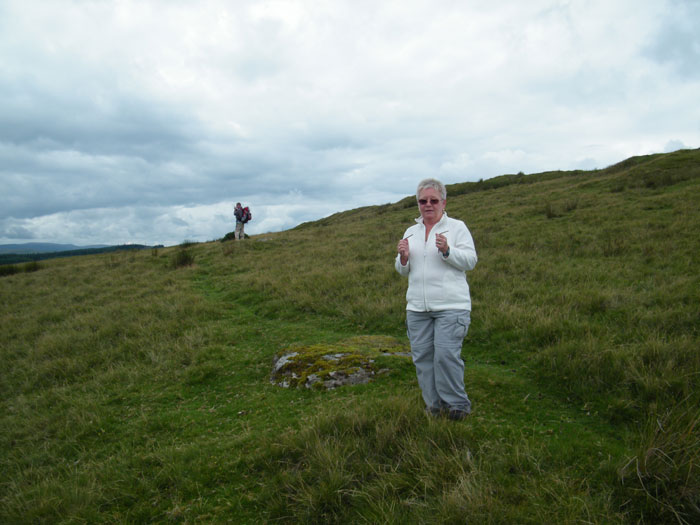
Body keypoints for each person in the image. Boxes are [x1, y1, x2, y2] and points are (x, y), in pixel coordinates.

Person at [395, 178, 478, 421]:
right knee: (422, 357)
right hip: (417, 309)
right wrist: (402, 258)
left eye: (433, 200)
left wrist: (448, 251)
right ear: (418, 203)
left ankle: (457, 407)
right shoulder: (411, 231)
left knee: (445, 356)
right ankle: (434, 407)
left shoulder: (457, 227)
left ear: (443, 201)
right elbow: (402, 270)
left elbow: (470, 261)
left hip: (451, 307)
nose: (428, 205)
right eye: (423, 201)